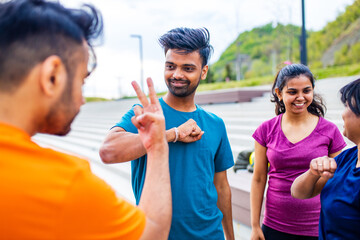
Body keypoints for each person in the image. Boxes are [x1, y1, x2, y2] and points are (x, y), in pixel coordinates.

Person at [0, 0, 172, 239]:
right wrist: (158, 146)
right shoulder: (62, 187)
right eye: (81, 80)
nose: (81, 100)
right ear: (52, 76)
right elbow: (152, 231)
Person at [100, 27, 235, 240]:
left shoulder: (215, 124)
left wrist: (231, 236)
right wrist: (171, 134)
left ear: (204, 71)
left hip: (211, 235)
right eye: (170, 66)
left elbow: (221, 186)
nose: (177, 75)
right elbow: (108, 150)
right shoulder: (146, 115)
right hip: (157, 234)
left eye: (188, 68)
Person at [250, 64, 346, 240]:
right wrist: (255, 225)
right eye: (293, 92)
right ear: (279, 93)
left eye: (306, 91)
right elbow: (258, 178)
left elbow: (339, 181)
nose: (300, 97)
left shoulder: (329, 131)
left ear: (313, 91)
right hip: (274, 225)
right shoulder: (266, 130)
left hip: (316, 226)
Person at [291, 78, 360, 239]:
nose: (343, 113)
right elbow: (298, 192)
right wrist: (313, 172)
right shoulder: (347, 158)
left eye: (347, 106)